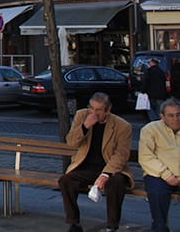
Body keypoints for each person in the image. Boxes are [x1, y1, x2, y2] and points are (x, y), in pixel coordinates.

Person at [58, 92, 133, 232]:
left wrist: (105, 174)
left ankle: (111, 226)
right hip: (86, 167)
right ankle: (74, 223)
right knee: (66, 181)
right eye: (91, 108)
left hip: (110, 168)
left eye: (98, 110)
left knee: (116, 183)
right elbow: (71, 142)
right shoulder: (82, 115)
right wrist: (85, 126)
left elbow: (121, 155)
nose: (93, 113)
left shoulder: (123, 126)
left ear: (108, 110)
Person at [138, 98, 180, 232]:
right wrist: (167, 175)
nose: (176, 119)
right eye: (171, 115)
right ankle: (160, 228)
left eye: (178, 114)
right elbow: (145, 157)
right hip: (159, 174)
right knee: (157, 192)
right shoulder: (150, 129)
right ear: (162, 116)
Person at [141, 58, 169, 122]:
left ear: (152, 63)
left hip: (151, 93)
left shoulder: (149, 71)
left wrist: (143, 91)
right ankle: (160, 120)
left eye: (150, 62)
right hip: (161, 94)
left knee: (150, 108)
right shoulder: (161, 71)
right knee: (159, 108)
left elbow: (145, 82)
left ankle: (154, 120)